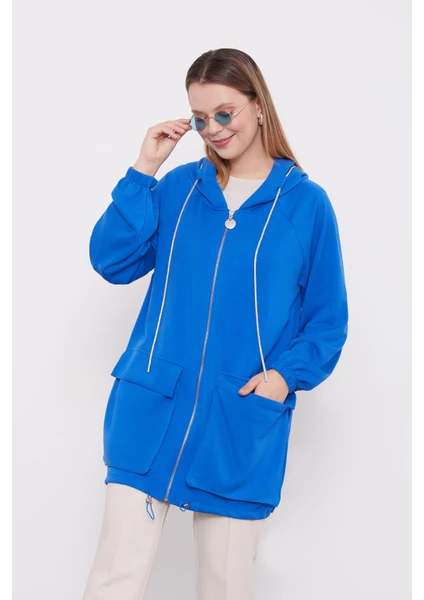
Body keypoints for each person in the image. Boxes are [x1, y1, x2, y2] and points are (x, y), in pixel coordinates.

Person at [82, 48, 349, 600]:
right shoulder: (178, 189)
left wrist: (283, 378)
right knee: (114, 579)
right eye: (201, 118)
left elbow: (327, 321)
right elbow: (111, 260)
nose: (214, 129)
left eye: (225, 113)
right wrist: (143, 171)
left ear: (258, 105)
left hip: (238, 419)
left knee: (226, 588)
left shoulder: (306, 205)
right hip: (150, 410)